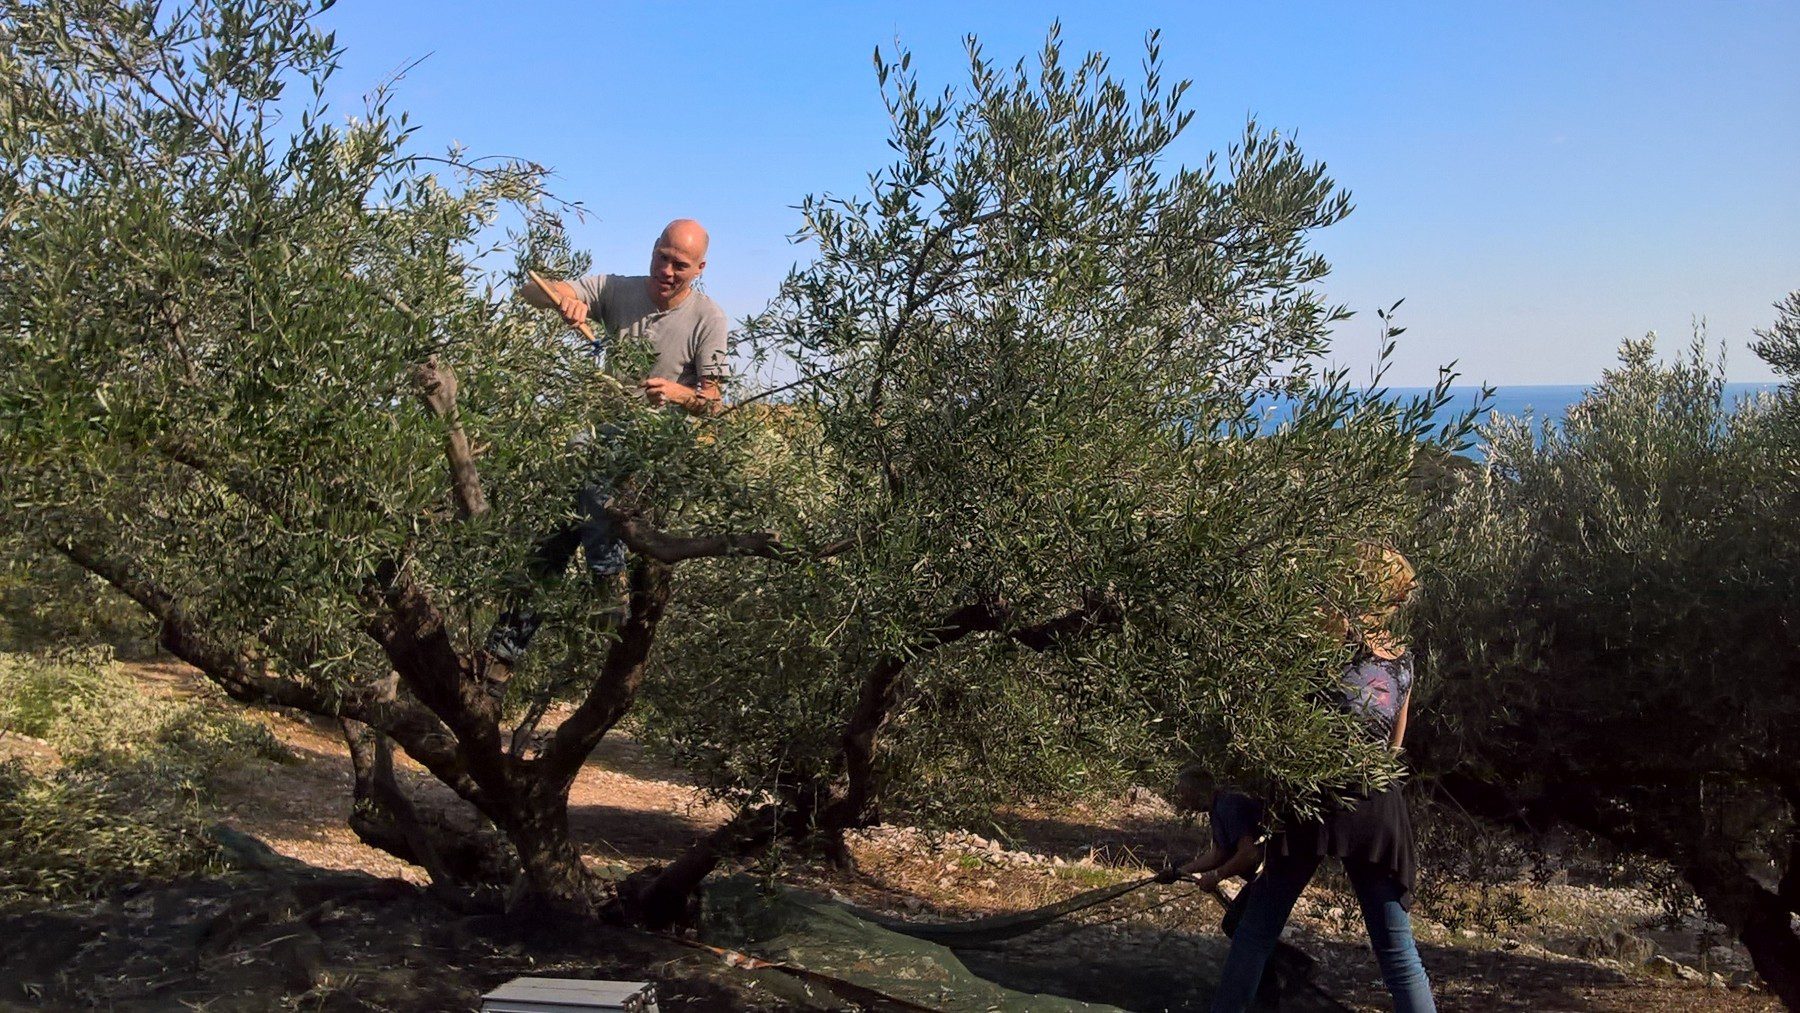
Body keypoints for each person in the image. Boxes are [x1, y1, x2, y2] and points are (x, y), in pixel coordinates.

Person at [486, 219, 729, 665]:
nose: (668, 270)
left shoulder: (708, 319)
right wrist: (564, 302)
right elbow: (533, 292)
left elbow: (714, 401)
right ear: (653, 248)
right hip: (598, 438)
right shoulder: (617, 290)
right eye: (663, 257)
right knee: (553, 537)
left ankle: (607, 575)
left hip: (651, 451)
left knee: (584, 459)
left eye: (681, 264)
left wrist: (681, 394)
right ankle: (501, 658)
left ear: (699, 268)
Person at [1208, 546, 1436, 1013]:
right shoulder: (1404, 661)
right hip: (1378, 807)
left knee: (1255, 932)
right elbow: (1394, 748)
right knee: (1397, 952)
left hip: (1316, 798)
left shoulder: (1322, 642)